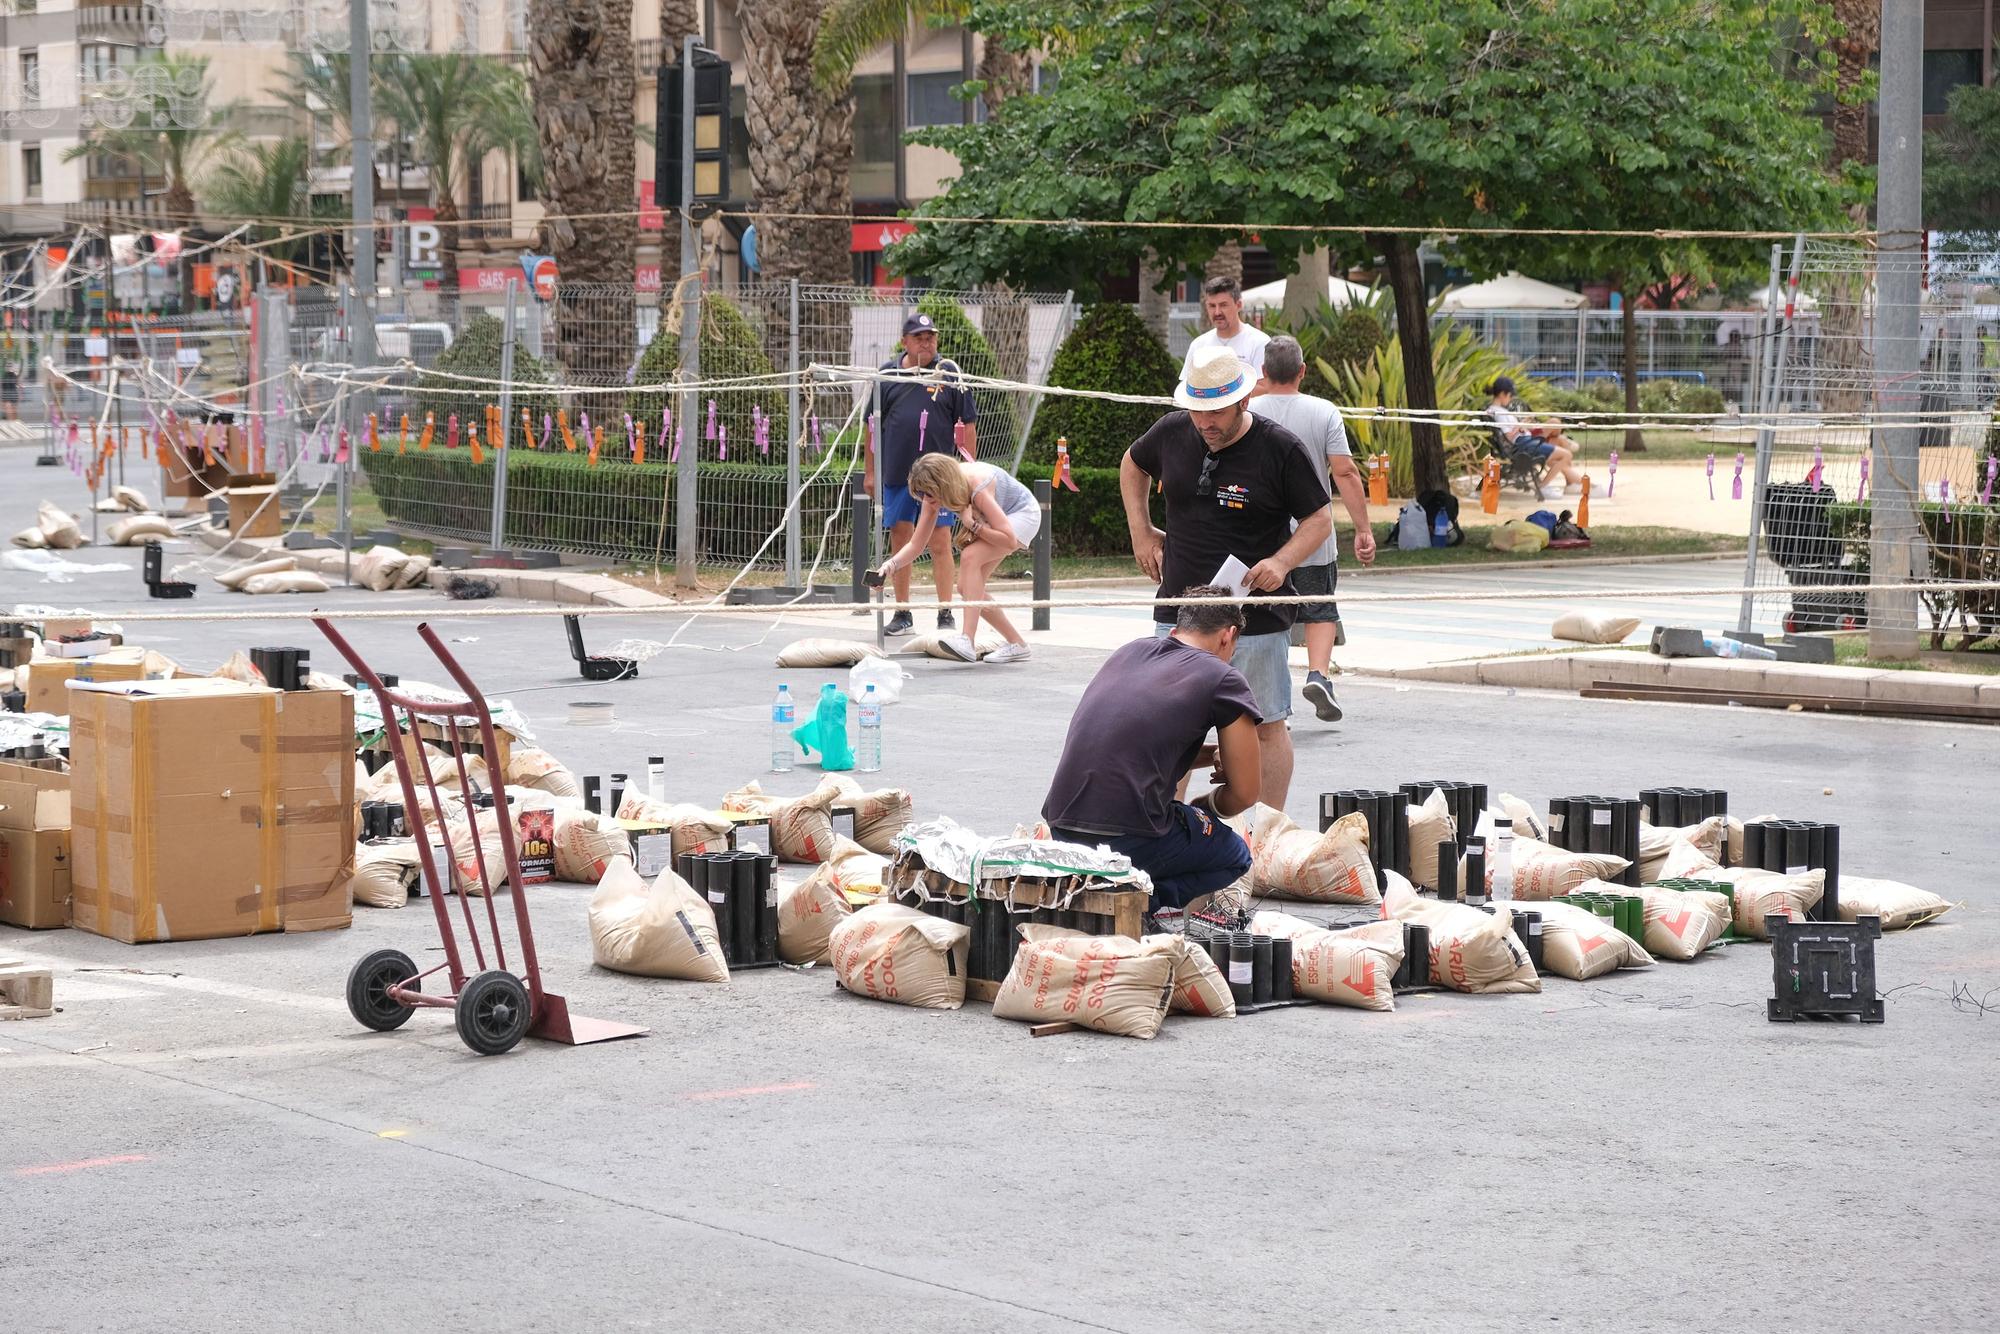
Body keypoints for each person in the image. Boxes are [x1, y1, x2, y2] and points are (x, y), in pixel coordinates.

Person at [1122, 347, 1332, 812]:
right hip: (1178, 610)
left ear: (1243, 402)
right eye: (1197, 411)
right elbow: (1132, 463)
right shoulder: (1174, 431)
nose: (1205, 423)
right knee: (1170, 723)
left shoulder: (1280, 448)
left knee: (1266, 723)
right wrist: (1140, 530)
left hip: (1253, 615)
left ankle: (1266, 834)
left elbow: (1319, 518)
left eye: (1215, 411)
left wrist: (1282, 562)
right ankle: (1166, 824)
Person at [1044, 589, 1262, 909]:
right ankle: (1139, 904)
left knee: (1180, 821)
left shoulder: (1131, 651)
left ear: (1175, 631)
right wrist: (1207, 806)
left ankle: (1115, 893)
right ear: (1228, 636)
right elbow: (1245, 794)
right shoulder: (1223, 677)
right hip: (1127, 835)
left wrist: (1210, 755)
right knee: (1236, 856)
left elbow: (1136, 743)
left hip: (1062, 825)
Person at [1248, 335, 1374, 722]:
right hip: (1314, 531)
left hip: (1260, 537)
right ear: (1303, 372)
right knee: (1320, 606)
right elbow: (1346, 472)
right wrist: (1364, 529)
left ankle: (1270, 695)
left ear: (1264, 373)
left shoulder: (1247, 409)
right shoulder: (1324, 412)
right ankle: (1318, 674)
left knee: (1267, 614)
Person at [867, 311, 974, 635]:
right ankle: (903, 613)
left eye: (931, 337)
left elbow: (968, 424)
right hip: (899, 473)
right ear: (905, 342)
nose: (926, 343)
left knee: (940, 539)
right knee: (901, 537)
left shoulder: (949, 372)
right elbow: (871, 427)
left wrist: (969, 468)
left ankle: (945, 612)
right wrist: (870, 472)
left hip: (939, 479)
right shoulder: (886, 375)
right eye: (919, 337)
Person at [876, 453, 1036, 663]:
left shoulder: (977, 488)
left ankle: (966, 640)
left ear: (942, 484)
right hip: (994, 522)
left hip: (1023, 514)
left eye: (928, 493)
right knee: (967, 589)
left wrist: (972, 525)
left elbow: (1009, 540)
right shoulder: (933, 497)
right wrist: (891, 564)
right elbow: (916, 544)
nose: (925, 499)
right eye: (921, 494)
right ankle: (1018, 644)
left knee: (970, 556)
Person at [1487, 375, 1583, 500]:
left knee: (1560, 443)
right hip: (1523, 445)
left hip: (1525, 441)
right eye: (1510, 395)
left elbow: (1510, 433)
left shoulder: (1498, 410)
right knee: (1566, 455)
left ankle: (1564, 480)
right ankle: (1543, 486)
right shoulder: (1498, 412)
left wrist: (1523, 426)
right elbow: (1509, 436)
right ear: (1502, 394)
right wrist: (1521, 425)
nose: (1511, 399)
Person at [1180, 275, 1271, 388]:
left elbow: (1265, 387)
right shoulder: (1199, 345)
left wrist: (1220, 395)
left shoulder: (1259, 342)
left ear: (1239, 305)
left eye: (1223, 305)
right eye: (1212, 306)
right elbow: (1186, 386)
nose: (1217, 312)